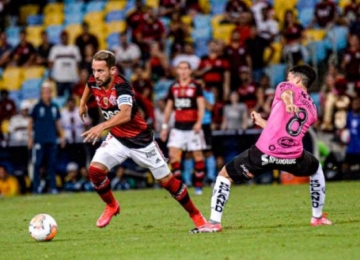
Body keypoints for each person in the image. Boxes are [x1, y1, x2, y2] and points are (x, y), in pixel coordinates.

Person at [192, 65, 333, 233]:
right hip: (292, 156)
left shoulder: (286, 87)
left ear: (296, 80)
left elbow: (287, 94)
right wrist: (262, 123)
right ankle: (317, 218)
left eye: (289, 77)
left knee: (224, 175)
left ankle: (214, 222)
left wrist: (288, 103)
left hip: (265, 153)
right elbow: (288, 131)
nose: (287, 80)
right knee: (316, 168)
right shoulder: (313, 109)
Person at [78, 50, 206, 229]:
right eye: (94, 70)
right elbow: (89, 85)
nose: (96, 75)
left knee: (168, 183)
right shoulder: (95, 80)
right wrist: (83, 102)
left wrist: (101, 126)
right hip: (117, 138)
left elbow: (125, 114)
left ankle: (196, 215)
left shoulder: (122, 86)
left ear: (113, 70)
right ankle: (112, 205)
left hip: (141, 141)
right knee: (95, 172)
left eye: (101, 71)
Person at [160, 61, 206, 195]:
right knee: (173, 156)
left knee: (198, 155)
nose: (184, 71)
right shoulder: (173, 87)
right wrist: (164, 127)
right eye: (181, 68)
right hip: (178, 128)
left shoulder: (196, 86)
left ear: (190, 71)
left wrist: (199, 122)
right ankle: (180, 187)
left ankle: (198, 187)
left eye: (186, 68)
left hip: (193, 127)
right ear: (177, 71)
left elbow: (201, 106)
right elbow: (169, 108)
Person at [28, 84, 65, 194]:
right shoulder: (37, 107)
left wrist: (62, 136)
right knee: (37, 164)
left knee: (52, 164)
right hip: (39, 140)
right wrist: (30, 138)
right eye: (45, 92)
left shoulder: (54, 107)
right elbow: (30, 123)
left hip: (51, 139)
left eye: (49, 91)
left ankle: (53, 187)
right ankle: (35, 188)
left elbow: (58, 123)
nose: (47, 94)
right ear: (41, 94)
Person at [48, 30, 81, 97]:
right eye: (63, 37)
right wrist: (50, 74)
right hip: (59, 78)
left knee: (72, 97)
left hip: (72, 78)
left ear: (68, 38)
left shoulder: (74, 48)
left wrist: (79, 75)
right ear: (60, 38)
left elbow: (79, 63)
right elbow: (50, 62)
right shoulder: (55, 49)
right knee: (60, 98)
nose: (64, 39)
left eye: (65, 37)